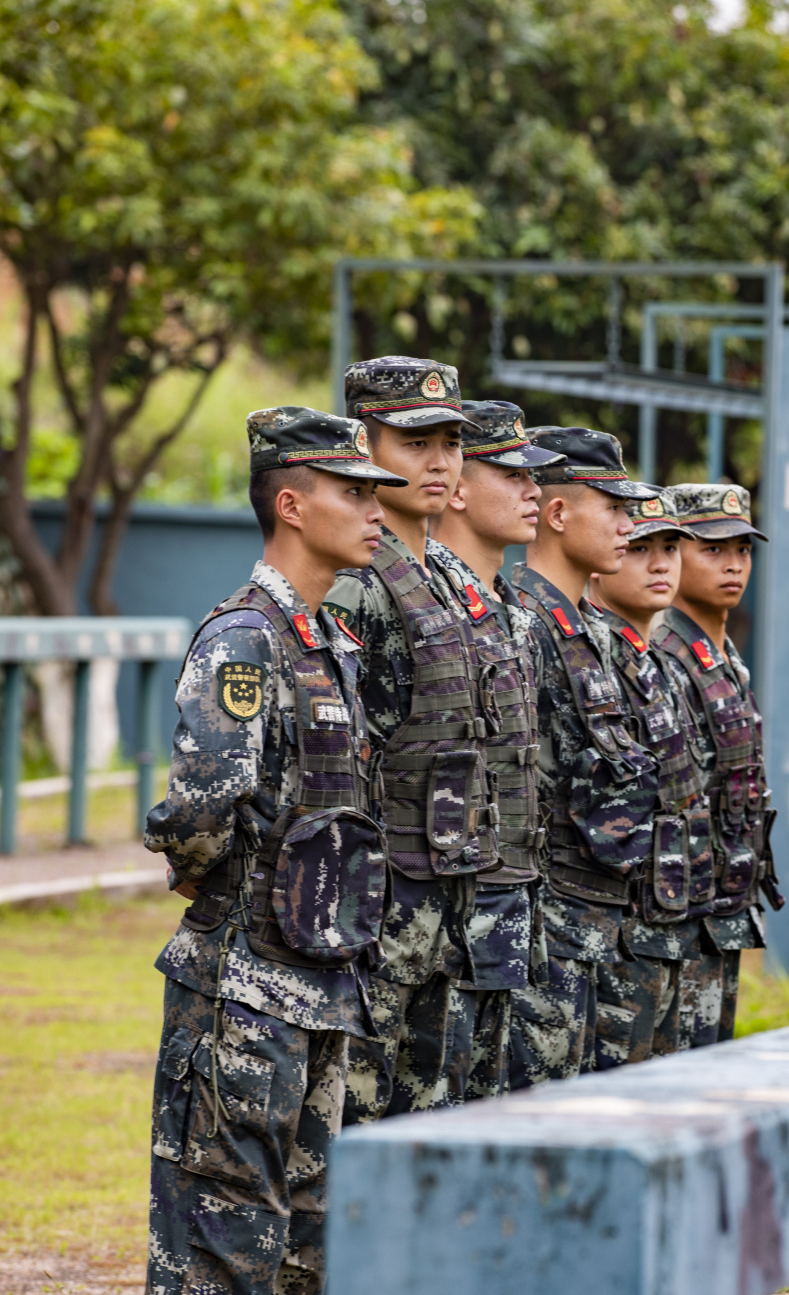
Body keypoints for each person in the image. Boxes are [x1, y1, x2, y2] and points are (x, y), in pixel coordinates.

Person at [144, 406, 407, 1295]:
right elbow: (197, 816)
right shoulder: (245, 639)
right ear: (291, 504)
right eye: (353, 491)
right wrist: (218, 890)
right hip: (244, 994)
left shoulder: (329, 642)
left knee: (305, 1257)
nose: (377, 509)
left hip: (322, 989)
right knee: (222, 1247)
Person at [319, 357, 522, 1123]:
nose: (439, 461)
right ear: (364, 447)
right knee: (365, 1131)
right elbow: (342, 765)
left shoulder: (443, 577)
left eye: (450, 442)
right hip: (382, 916)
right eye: (414, 443)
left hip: (445, 912)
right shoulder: (357, 587)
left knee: (431, 1130)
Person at [508, 427, 663, 1081]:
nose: (628, 527)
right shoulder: (520, 622)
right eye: (615, 508)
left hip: (598, 922)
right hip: (545, 925)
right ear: (559, 511)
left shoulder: (594, 632)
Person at [425, 401, 571, 1089]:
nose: (533, 491)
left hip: (507, 911)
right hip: (435, 924)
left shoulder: (507, 609)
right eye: (512, 474)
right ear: (458, 487)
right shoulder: (417, 604)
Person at [653, 483, 780, 1041]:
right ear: (676, 552)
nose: (734, 565)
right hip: (681, 909)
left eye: (743, 550)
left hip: (722, 904)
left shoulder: (722, 655)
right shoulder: (663, 655)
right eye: (714, 549)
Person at [586, 491, 710, 1058]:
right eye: (641, 549)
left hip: (670, 919)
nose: (661, 564)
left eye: (670, 548)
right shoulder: (594, 660)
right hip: (617, 931)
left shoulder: (660, 665)